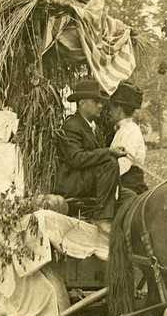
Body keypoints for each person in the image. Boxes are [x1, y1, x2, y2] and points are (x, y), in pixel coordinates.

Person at [53, 78, 126, 221]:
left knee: (129, 195)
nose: (100, 106)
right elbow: (76, 159)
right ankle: (102, 218)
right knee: (110, 163)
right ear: (82, 103)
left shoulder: (93, 127)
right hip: (72, 182)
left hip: (86, 179)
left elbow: (95, 156)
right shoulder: (71, 126)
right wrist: (109, 152)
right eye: (95, 101)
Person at [107, 82, 148, 194]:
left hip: (130, 187)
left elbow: (123, 164)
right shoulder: (122, 130)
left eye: (111, 108)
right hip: (121, 184)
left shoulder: (131, 130)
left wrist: (103, 179)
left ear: (119, 109)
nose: (109, 112)